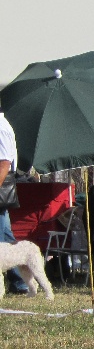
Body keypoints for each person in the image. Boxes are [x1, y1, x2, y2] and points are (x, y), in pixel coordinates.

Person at [0, 109, 29, 294]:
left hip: (1, 186)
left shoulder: (1, 127)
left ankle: (20, 283)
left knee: (2, 239)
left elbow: (4, 162)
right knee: (7, 237)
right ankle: (20, 282)